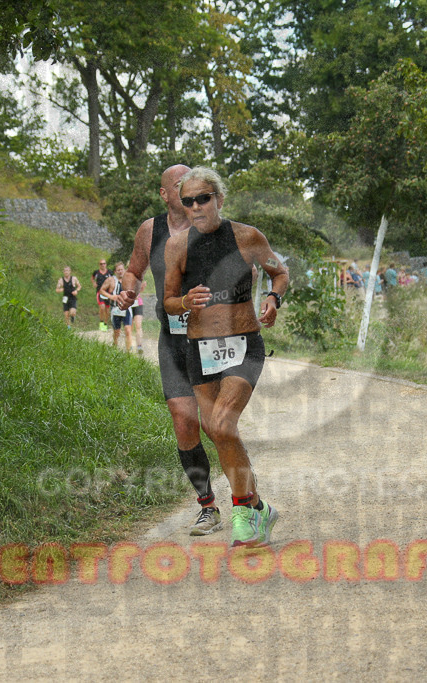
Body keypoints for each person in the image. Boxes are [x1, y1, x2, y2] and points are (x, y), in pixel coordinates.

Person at [162, 166, 289, 548]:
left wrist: (273, 298)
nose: (196, 206)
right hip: (199, 351)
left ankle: (243, 512)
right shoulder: (176, 246)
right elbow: (168, 302)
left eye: (203, 198)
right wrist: (183, 301)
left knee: (222, 423)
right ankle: (258, 507)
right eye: (188, 201)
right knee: (218, 432)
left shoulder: (247, 236)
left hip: (243, 343)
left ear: (219, 198)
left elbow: (278, 273)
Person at [116, 164, 226, 536]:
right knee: (183, 421)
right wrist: (128, 289)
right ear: (165, 194)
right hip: (172, 338)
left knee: (216, 426)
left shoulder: (210, 224)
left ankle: (248, 495)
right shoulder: (151, 230)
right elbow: (134, 269)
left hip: (209, 338)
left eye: (190, 182)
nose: (186, 188)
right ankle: (207, 506)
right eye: (178, 184)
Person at [101, 262, 134, 351]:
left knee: (127, 329)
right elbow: (102, 290)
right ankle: (115, 345)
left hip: (126, 308)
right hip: (115, 309)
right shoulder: (111, 280)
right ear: (115, 271)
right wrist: (111, 296)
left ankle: (129, 352)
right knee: (117, 332)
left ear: (125, 270)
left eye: (121, 270)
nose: (120, 272)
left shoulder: (129, 280)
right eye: (118, 270)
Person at [92, 259, 113, 331]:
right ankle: (101, 322)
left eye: (104, 263)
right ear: (99, 265)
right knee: (102, 307)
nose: (103, 265)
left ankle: (105, 324)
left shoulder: (110, 272)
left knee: (107, 310)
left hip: (108, 293)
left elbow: (113, 280)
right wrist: (94, 283)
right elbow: (92, 278)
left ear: (106, 264)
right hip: (100, 292)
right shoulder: (96, 272)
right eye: (101, 264)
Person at [131, 277, 146, 356]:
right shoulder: (126, 277)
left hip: (138, 303)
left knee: (138, 325)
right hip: (128, 304)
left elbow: (140, 290)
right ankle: (130, 344)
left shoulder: (139, 277)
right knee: (129, 326)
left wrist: (142, 287)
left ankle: (139, 346)